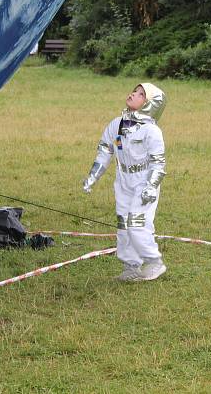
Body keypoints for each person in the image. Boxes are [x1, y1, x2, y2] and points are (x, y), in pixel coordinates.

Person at [82, 83, 167, 282]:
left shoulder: (152, 132)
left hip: (143, 182)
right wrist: (93, 176)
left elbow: (158, 162)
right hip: (123, 180)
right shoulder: (117, 124)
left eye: (140, 94)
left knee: (137, 223)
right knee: (123, 224)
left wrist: (151, 186)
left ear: (150, 104)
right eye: (134, 91)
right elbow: (105, 149)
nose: (133, 94)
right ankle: (131, 266)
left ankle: (154, 261)